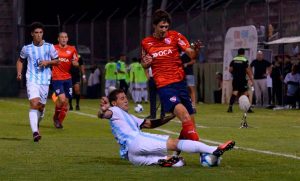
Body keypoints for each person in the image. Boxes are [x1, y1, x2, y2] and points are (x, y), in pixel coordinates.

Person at [98, 89, 235, 167]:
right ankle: (214, 150)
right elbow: (104, 114)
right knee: (175, 144)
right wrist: (103, 110)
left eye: (125, 97)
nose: (126, 100)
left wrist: (169, 117)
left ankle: (166, 161)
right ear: (115, 103)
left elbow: (150, 124)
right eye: (122, 98)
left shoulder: (130, 117)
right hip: (136, 141)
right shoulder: (114, 110)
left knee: (180, 163)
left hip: (132, 156)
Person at [141, 9, 202, 141]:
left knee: (191, 124)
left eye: (166, 27)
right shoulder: (146, 42)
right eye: (161, 27)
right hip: (165, 87)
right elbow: (144, 63)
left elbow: (191, 54)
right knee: (185, 117)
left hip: (180, 84)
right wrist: (145, 63)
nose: (164, 29)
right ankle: (204, 154)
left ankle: (177, 152)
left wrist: (196, 51)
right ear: (154, 25)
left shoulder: (176, 36)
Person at [16, 22, 59, 142]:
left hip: (45, 81)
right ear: (32, 34)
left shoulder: (49, 47)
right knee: (34, 103)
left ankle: (37, 122)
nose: (39, 35)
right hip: (32, 80)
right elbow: (20, 61)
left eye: (40, 32)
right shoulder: (27, 48)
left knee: (41, 108)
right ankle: (35, 132)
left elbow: (57, 61)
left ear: (43, 33)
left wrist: (47, 62)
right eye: (36, 33)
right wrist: (19, 73)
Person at [52, 32, 79, 128]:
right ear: (58, 39)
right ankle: (55, 118)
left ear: (67, 39)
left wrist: (76, 63)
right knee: (62, 99)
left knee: (66, 102)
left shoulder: (72, 49)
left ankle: (59, 121)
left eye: (65, 37)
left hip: (68, 78)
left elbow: (76, 62)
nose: (64, 39)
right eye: (62, 37)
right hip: (56, 77)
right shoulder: (53, 48)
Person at [227, 48, 254, 113]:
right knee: (246, 93)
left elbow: (230, 70)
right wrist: (251, 79)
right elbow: (247, 70)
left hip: (235, 79)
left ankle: (230, 107)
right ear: (243, 53)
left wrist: (235, 74)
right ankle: (248, 109)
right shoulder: (245, 60)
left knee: (235, 92)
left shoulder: (234, 60)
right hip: (242, 79)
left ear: (238, 53)